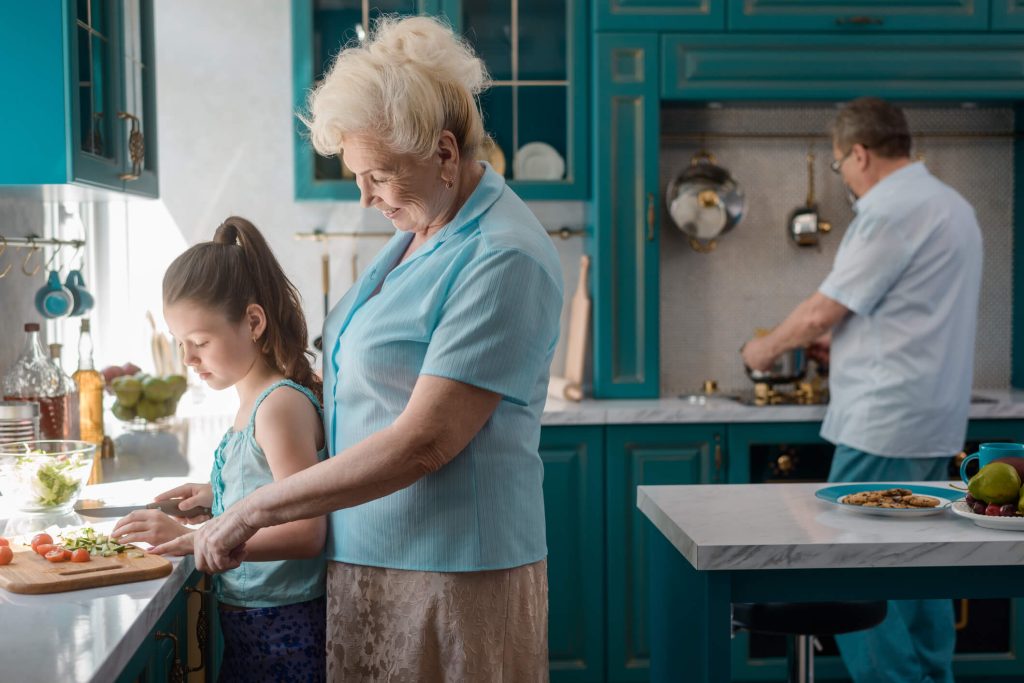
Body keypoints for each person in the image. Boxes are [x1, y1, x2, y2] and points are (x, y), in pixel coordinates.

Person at [154, 15, 563, 682]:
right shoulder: (422, 232)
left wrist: (252, 511)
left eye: (378, 175)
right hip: (369, 563)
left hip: (452, 576)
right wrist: (233, 488)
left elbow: (424, 440)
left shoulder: (503, 255)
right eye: (357, 173)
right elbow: (369, 405)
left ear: (445, 153)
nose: (365, 195)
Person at [741, 97, 982, 683]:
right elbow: (909, 315)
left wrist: (762, 350)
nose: (843, 177)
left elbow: (824, 309)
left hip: (885, 418)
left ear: (859, 153)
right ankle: (929, 677)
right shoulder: (952, 205)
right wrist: (846, 347)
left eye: (838, 164)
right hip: (934, 418)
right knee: (923, 570)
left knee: (850, 569)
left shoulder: (890, 209)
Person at [113, 216, 329, 683]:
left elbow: (308, 530)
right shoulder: (253, 402)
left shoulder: (277, 407)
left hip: (284, 627)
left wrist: (200, 537)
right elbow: (271, 490)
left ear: (253, 321)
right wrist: (217, 494)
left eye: (200, 342)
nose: (188, 359)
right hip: (254, 620)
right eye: (180, 343)